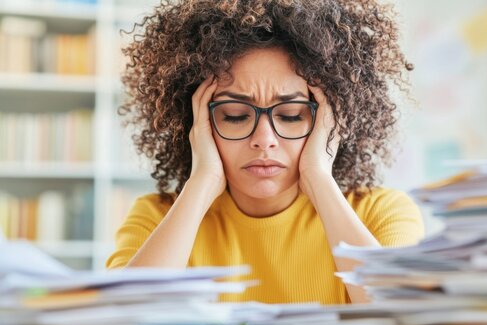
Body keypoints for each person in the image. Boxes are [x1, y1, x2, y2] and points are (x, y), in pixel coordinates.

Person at [107, 0, 424, 304]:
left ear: (330, 121)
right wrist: (202, 182)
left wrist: (318, 180)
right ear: (196, 122)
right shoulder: (156, 217)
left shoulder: (382, 213)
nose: (264, 139)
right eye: (234, 114)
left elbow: (410, 323)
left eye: (290, 115)